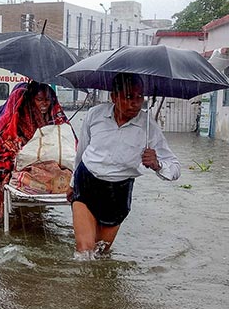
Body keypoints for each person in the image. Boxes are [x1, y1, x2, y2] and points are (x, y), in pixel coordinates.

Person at [67, 73, 180, 259]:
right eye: (129, 97)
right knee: (85, 250)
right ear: (114, 97)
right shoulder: (95, 115)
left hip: (118, 192)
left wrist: (157, 165)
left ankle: (98, 287)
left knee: (101, 253)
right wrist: (72, 183)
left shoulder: (148, 127)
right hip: (87, 183)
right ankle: (83, 288)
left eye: (139, 97)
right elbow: (82, 152)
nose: (135, 103)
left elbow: (175, 168)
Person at [0, 80, 70, 225]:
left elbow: (66, 143)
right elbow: (5, 142)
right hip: (21, 157)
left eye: (47, 100)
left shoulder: (53, 118)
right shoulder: (18, 116)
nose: (44, 104)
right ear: (31, 99)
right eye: (39, 100)